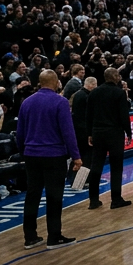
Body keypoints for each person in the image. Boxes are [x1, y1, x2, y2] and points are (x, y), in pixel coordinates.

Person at [16, 70, 83, 249]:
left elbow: (20, 133)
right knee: (54, 196)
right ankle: (54, 236)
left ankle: (30, 237)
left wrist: (24, 152)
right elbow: (68, 132)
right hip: (53, 155)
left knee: (32, 196)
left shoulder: (27, 102)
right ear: (56, 82)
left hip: (31, 155)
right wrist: (76, 156)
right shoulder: (60, 102)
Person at [86, 68, 133, 210]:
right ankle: (116, 199)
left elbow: (89, 115)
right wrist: (128, 132)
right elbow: (124, 115)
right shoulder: (119, 93)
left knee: (96, 166)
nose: (119, 77)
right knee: (116, 167)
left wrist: (89, 133)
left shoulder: (94, 93)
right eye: (118, 75)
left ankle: (93, 200)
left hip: (98, 133)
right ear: (113, 77)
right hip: (114, 133)